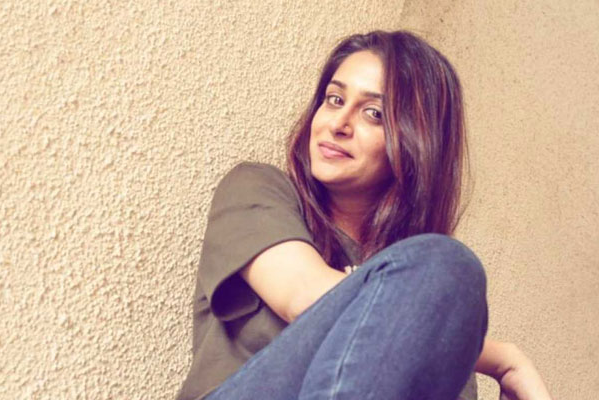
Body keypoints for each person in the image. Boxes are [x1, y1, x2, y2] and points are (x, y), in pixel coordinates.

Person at [175, 30, 553, 400]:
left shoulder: (436, 301)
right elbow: (302, 296)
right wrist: (503, 359)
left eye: (373, 114)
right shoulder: (257, 190)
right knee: (451, 265)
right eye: (334, 99)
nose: (337, 124)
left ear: (417, 143)